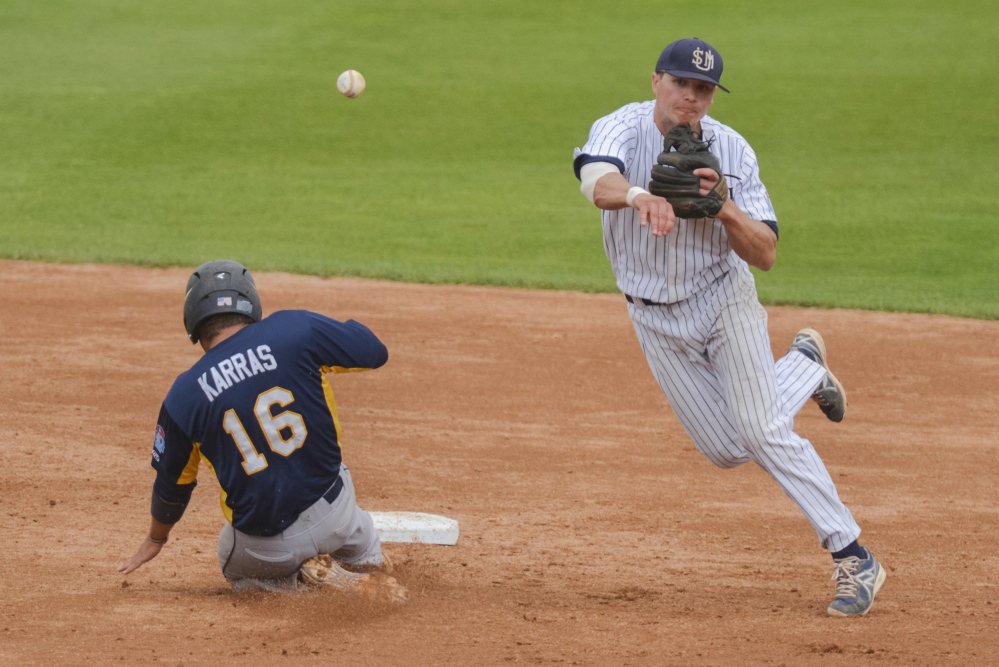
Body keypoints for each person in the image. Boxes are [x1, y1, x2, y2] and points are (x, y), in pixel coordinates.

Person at [573, 38, 885, 616]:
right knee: (726, 449)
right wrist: (641, 196)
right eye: (680, 84)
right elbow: (595, 181)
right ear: (656, 82)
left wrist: (724, 207)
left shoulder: (733, 151)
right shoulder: (620, 127)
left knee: (763, 429)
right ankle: (802, 369)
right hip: (652, 318)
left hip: (724, 303)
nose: (691, 98)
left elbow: (764, 253)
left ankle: (853, 555)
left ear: (713, 95)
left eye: (703, 89)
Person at [118, 259, 405, 601]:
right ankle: (366, 563)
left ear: (193, 320)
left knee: (231, 562)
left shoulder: (183, 396)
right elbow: (375, 352)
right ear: (251, 303)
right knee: (355, 520)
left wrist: (156, 539)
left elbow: (172, 489)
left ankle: (298, 588)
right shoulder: (295, 329)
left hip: (268, 546)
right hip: (336, 514)